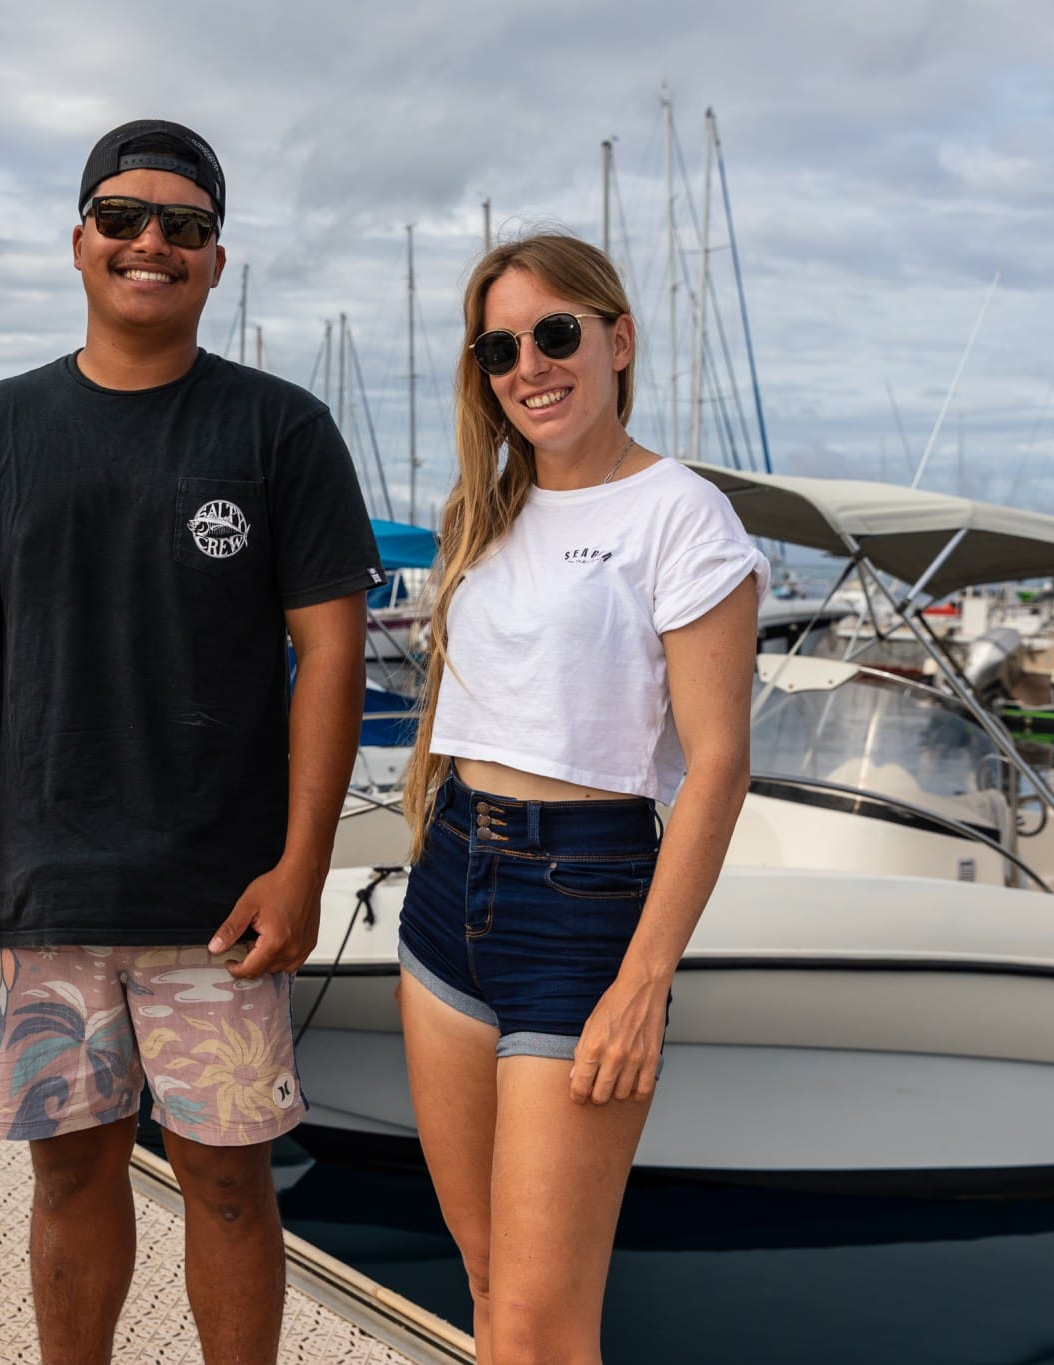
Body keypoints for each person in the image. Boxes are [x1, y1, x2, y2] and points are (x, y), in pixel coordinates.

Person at [0, 118, 382, 1365]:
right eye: (122, 217)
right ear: (79, 241)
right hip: (47, 884)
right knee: (68, 1177)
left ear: (217, 261)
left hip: (223, 894)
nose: (150, 241)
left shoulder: (281, 431)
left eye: (186, 226)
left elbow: (329, 653)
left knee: (226, 1183)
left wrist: (302, 861)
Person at [397, 234, 763, 1363]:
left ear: (616, 339)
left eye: (553, 333)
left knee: (547, 1325)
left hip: (584, 902)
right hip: (449, 882)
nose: (529, 365)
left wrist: (641, 983)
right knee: (489, 1283)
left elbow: (716, 767)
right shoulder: (482, 512)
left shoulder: (680, 516)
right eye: (499, 345)